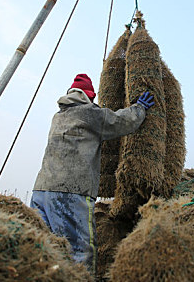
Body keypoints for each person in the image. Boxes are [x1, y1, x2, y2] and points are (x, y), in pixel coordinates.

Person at [30, 73, 154, 275]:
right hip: (69, 193)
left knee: (44, 250)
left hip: (41, 192)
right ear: (89, 95)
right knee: (80, 252)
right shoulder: (88, 113)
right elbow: (120, 122)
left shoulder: (58, 116)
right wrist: (139, 109)